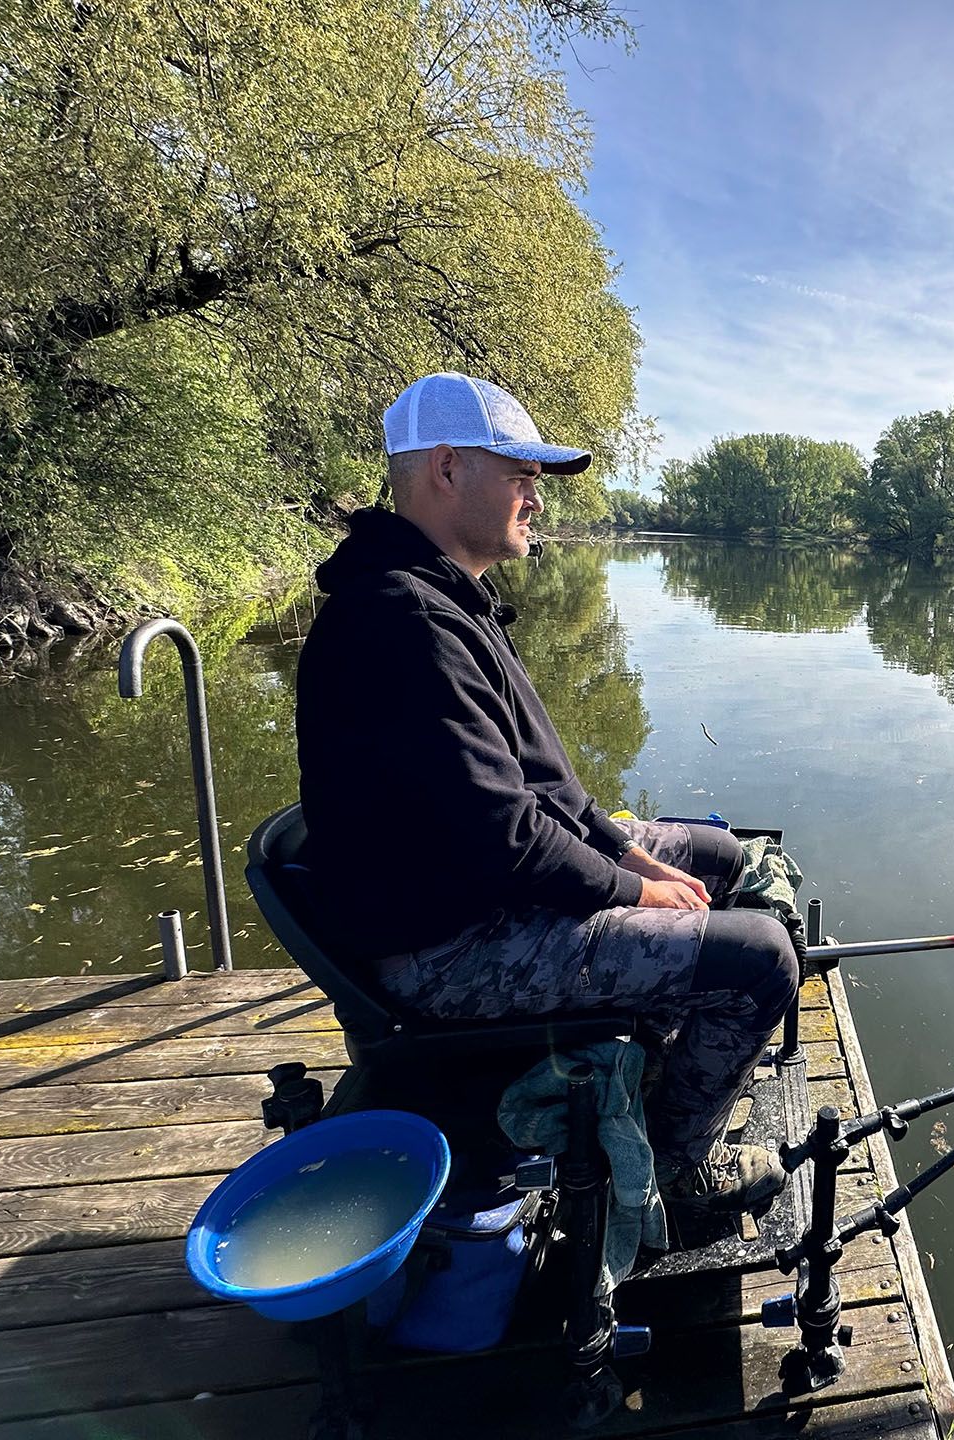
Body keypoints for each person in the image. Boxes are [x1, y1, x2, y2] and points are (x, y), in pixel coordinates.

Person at [295, 371, 794, 1222]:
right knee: (761, 964)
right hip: (446, 948)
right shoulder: (401, 621)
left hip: (480, 891)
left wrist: (630, 852)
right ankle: (676, 1172)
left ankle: (664, 1065)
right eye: (519, 474)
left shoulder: (444, 597)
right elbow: (508, 837)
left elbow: (542, 783)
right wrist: (638, 893)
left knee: (716, 856)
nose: (535, 497)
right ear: (448, 469)